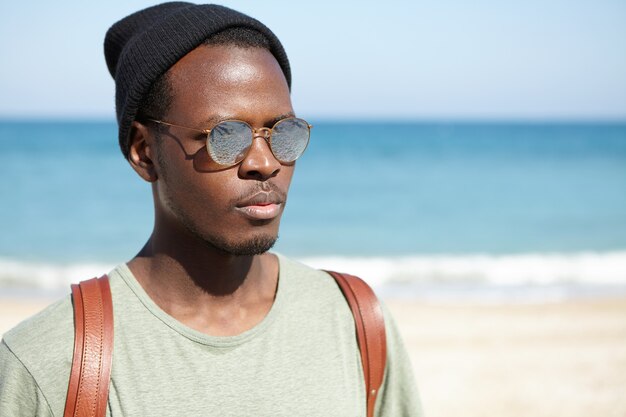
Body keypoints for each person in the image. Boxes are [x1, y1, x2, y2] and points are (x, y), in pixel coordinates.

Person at [0, 2, 423, 415]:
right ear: (144, 152)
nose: (265, 162)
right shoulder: (51, 362)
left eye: (283, 132)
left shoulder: (354, 322)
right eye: (226, 136)